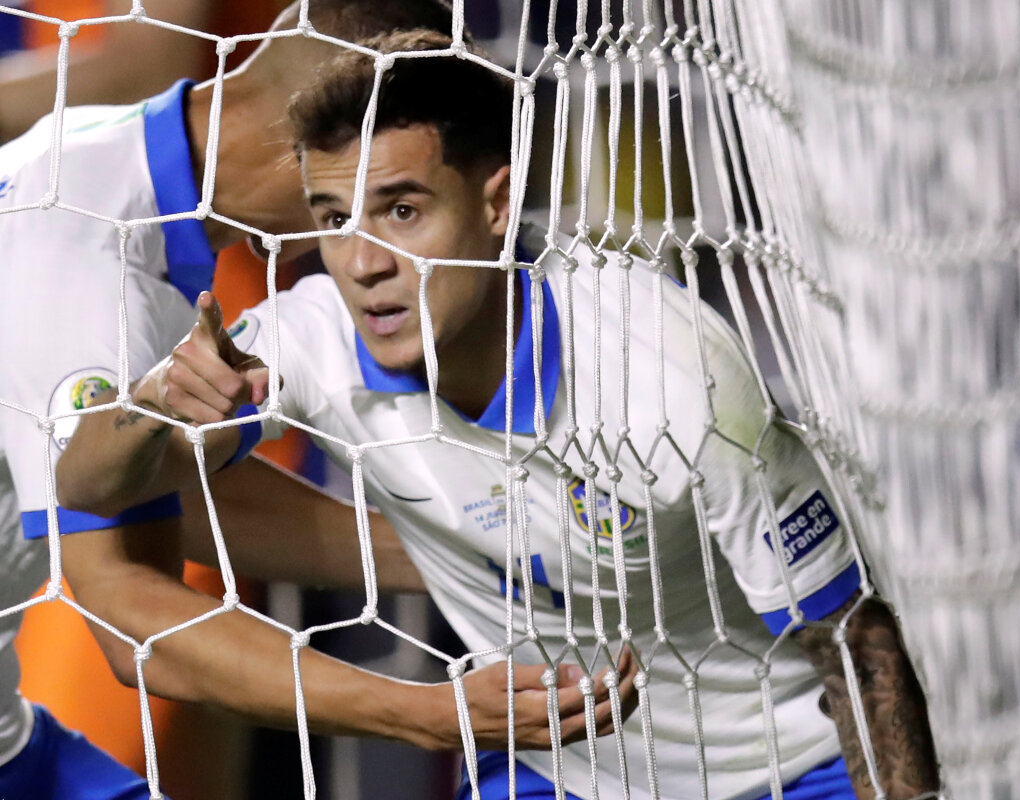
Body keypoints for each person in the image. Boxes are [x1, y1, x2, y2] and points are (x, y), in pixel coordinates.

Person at [60, 28, 940, 800]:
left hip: (784, 767)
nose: (362, 261)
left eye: (402, 210)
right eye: (333, 218)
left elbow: (854, 641)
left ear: (495, 204)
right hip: (557, 769)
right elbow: (89, 487)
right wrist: (152, 405)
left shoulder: (666, 374)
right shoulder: (312, 342)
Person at [0, 5, 632, 799]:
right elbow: (135, 623)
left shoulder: (99, 159)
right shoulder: (82, 254)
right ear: (307, 138)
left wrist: (483, 549)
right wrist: (430, 714)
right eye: (402, 197)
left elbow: (156, 496)